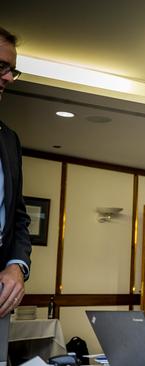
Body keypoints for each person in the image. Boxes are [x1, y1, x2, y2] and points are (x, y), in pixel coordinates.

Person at [0, 26, 31, 318]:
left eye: (11, 70)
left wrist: (15, 265)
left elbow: (18, 218)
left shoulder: (9, 140)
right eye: (1, 67)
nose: (8, 78)